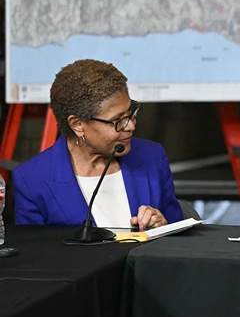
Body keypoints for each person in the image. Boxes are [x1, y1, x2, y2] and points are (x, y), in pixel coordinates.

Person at [14, 59, 182, 229]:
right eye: (117, 120)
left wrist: (163, 225)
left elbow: (179, 236)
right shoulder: (32, 180)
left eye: (130, 112)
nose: (131, 126)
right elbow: (35, 251)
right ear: (78, 125)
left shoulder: (152, 157)